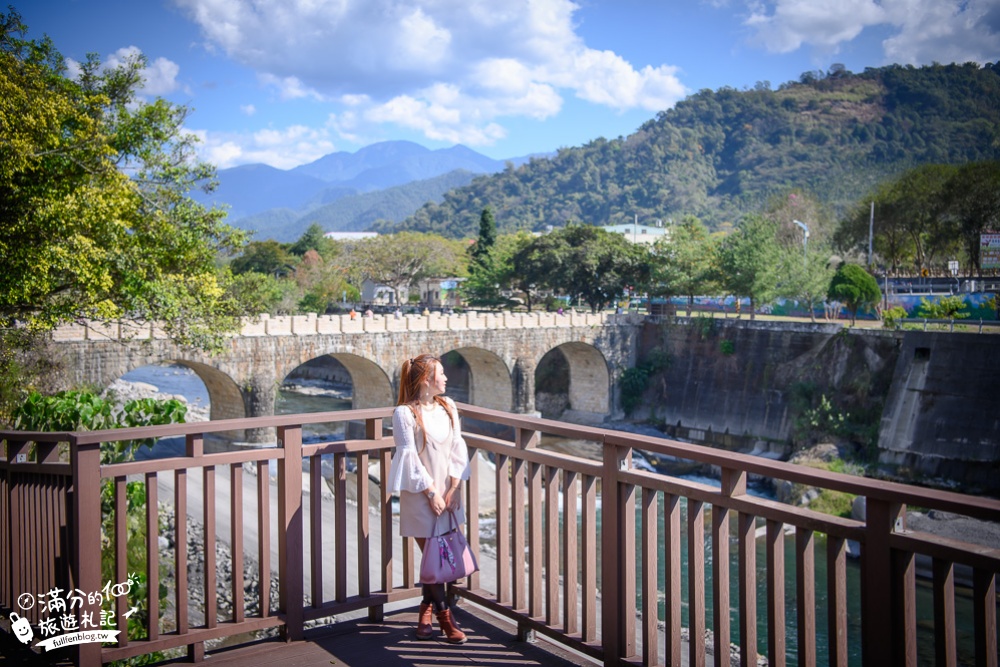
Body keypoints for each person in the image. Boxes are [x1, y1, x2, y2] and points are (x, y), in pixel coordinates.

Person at [387, 354, 471, 643]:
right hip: (422, 498)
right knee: (436, 558)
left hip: (449, 496)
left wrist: (455, 488)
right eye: (441, 373)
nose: (446, 378)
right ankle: (447, 620)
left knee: (439, 559)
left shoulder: (449, 406)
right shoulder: (404, 414)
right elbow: (409, 460)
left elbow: (458, 449)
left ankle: (424, 609)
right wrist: (431, 493)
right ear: (426, 380)